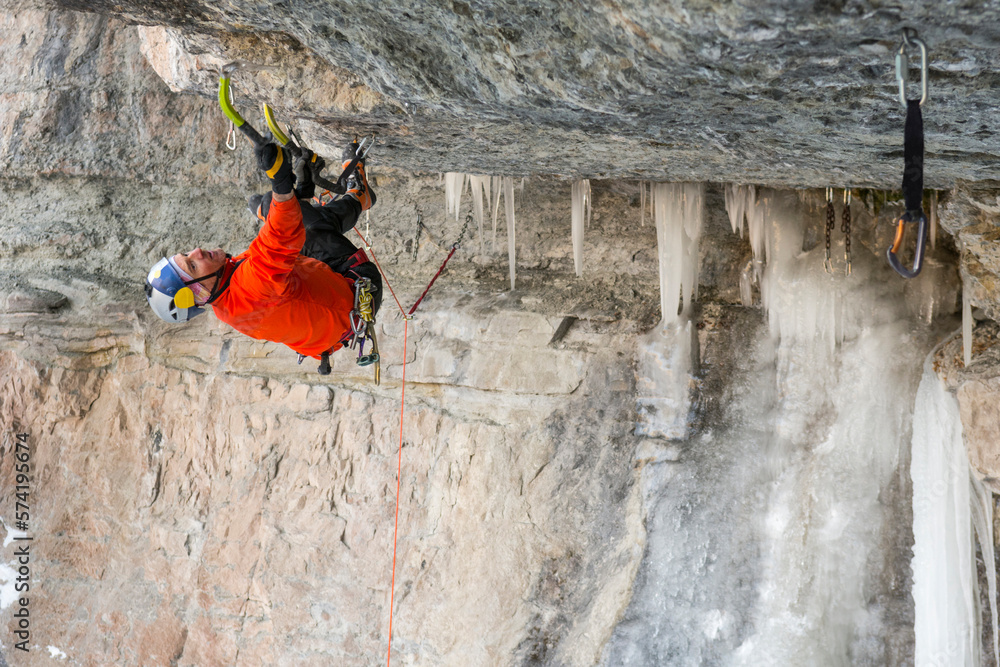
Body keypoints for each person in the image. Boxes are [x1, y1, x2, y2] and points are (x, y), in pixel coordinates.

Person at [144, 139, 381, 367]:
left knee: (271, 207)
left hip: (334, 316)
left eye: (186, 254)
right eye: (192, 265)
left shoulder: (224, 299)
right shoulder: (249, 290)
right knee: (304, 227)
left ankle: (297, 201)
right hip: (358, 292)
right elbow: (279, 240)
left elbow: (268, 253)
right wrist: (280, 183)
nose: (196, 251)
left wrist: (290, 196)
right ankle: (359, 196)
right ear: (200, 292)